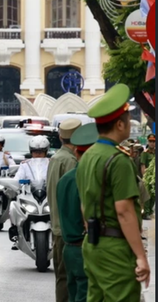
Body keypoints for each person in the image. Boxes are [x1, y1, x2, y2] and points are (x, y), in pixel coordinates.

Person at [76, 84, 150, 301]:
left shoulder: (87, 157)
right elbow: (124, 211)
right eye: (128, 119)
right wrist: (141, 256)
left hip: (92, 244)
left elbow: (84, 206)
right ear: (120, 125)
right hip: (115, 248)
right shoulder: (118, 160)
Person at [57, 123, 98, 302]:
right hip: (84, 247)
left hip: (68, 247)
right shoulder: (88, 178)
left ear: (76, 152)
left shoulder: (65, 180)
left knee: (73, 294)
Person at [45, 118, 82, 302]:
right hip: (68, 230)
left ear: (60, 137)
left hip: (57, 226)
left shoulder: (55, 158)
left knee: (62, 277)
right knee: (70, 280)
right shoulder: (70, 161)